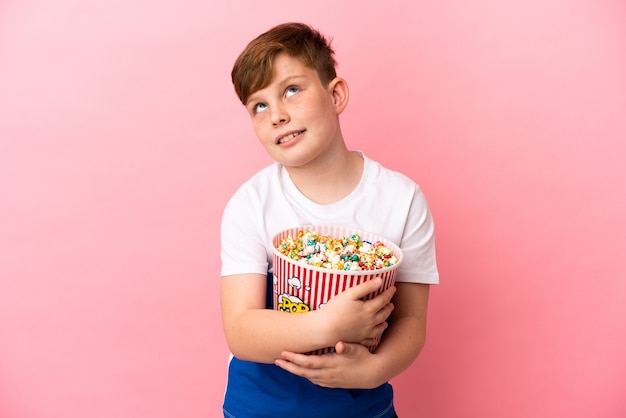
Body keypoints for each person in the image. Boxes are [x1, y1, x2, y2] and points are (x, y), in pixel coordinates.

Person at [220, 22, 439, 418]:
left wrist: (374, 370)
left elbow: (411, 320)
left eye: (291, 90)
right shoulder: (250, 204)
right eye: (259, 105)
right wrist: (326, 325)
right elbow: (241, 332)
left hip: (364, 409)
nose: (277, 116)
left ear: (335, 94)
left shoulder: (401, 200)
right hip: (260, 410)